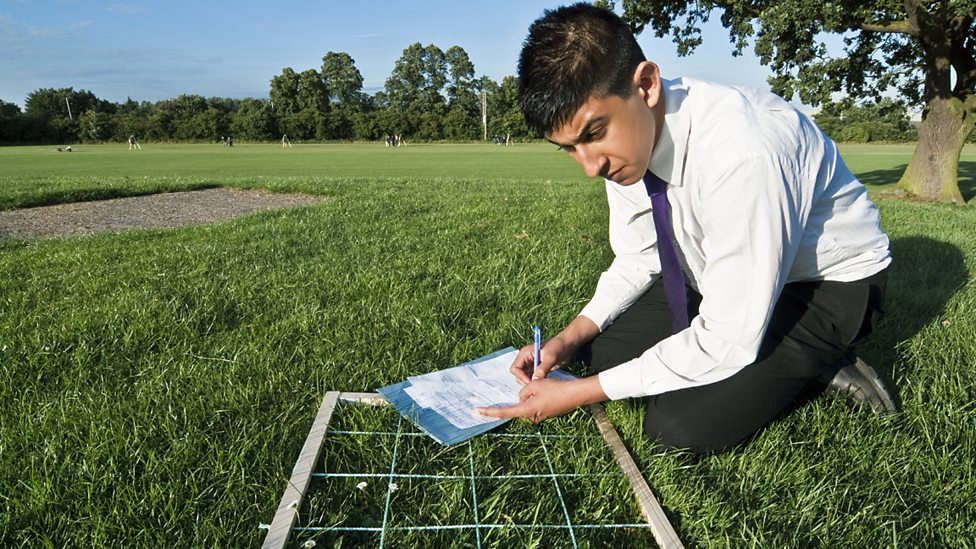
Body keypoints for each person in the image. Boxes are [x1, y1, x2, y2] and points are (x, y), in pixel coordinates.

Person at [477, 4, 897, 455]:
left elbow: (728, 337)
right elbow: (639, 257)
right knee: (597, 355)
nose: (589, 166)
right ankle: (770, 355)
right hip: (710, 269)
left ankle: (817, 359)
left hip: (823, 286)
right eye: (568, 148)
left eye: (594, 133)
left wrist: (578, 393)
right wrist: (565, 339)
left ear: (646, 84)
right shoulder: (628, 148)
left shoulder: (743, 154)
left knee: (675, 429)